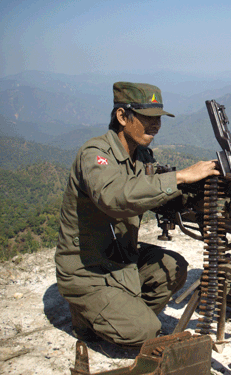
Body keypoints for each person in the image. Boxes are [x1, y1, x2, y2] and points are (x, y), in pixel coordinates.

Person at [54, 82, 219, 348]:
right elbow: (115, 199)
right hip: (89, 270)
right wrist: (179, 177)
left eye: (158, 119)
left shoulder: (141, 156)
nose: (155, 126)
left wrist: (204, 191)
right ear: (122, 116)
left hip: (122, 257)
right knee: (147, 332)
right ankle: (88, 317)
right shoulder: (95, 155)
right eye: (147, 118)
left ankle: (121, 312)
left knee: (172, 268)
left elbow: (155, 195)